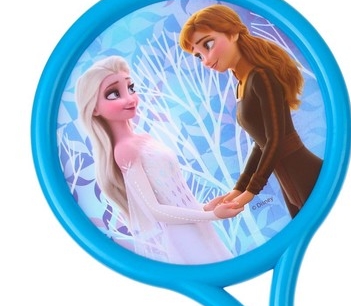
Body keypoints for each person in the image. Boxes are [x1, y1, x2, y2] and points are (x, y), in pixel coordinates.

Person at [75, 56, 239, 264]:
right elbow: (155, 210)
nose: (130, 99)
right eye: (114, 94)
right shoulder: (124, 150)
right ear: (94, 108)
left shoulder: (144, 139)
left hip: (198, 226)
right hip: (184, 236)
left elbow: (171, 196)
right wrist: (213, 215)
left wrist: (205, 208)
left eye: (130, 88)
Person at [179, 4, 322, 219]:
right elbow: (261, 143)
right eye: (199, 56)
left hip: (305, 174)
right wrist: (238, 189)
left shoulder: (262, 77)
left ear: (233, 33)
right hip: (289, 183)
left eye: (208, 45)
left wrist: (250, 193)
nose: (206, 61)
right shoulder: (242, 84)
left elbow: (275, 140)